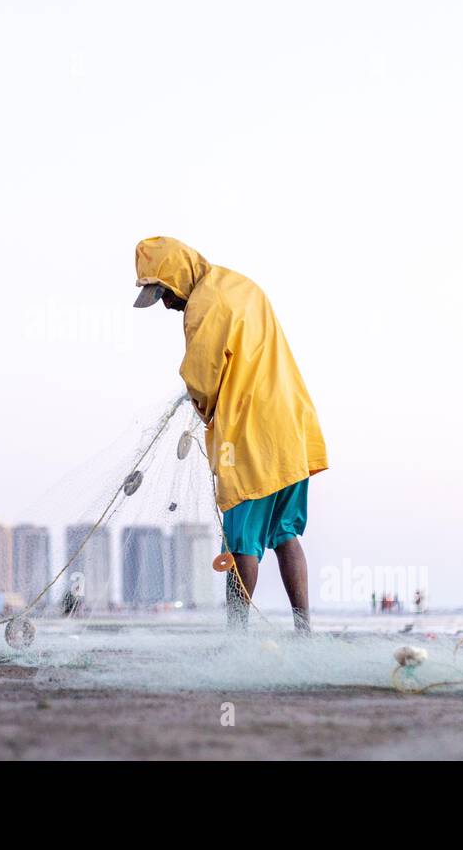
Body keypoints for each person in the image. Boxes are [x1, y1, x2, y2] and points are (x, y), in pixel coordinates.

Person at [133, 237, 327, 633]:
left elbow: (203, 381)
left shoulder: (203, 306)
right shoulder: (241, 285)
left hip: (248, 436)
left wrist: (200, 407)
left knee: (241, 542)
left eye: (165, 294)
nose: (168, 305)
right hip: (291, 425)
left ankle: (236, 638)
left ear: (176, 276)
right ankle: (304, 631)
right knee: (285, 533)